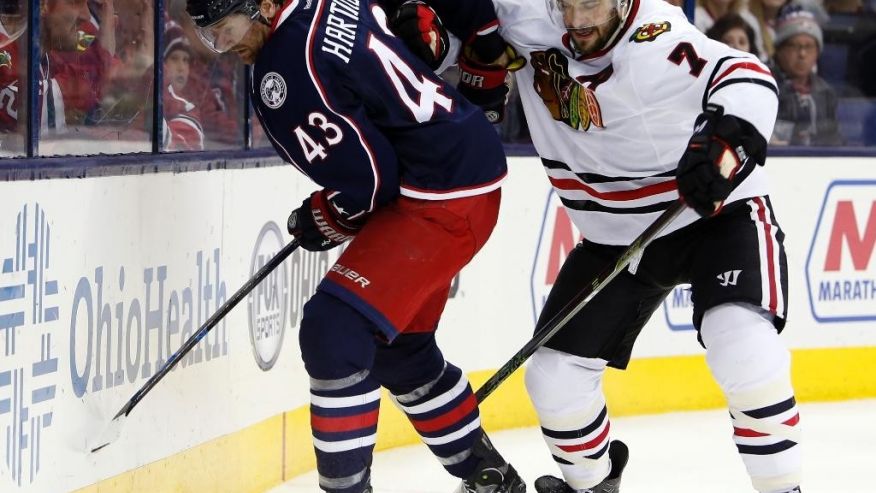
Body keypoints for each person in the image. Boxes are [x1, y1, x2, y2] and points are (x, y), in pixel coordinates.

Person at [392, 0, 801, 491]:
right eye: (567, 5)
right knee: (553, 380)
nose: (578, 20)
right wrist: (433, 43)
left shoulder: (657, 35)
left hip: (714, 214)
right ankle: (593, 484)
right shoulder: (525, 16)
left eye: (591, 5)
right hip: (615, 240)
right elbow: (461, 52)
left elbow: (748, 76)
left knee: (741, 345)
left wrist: (724, 146)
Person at [183, 1, 524, 493]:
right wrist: (336, 208)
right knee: (400, 351)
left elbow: (372, 181)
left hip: (437, 195)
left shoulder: (285, 68)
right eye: (211, 37)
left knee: (334, 331)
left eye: (227, 29)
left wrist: (332, 213)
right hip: (458, 169)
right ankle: (489, 477)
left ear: (260, 6)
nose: (225, 46)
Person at [770, 8, 844, 145]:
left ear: (817, 52)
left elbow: (835, 140)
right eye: (794, 46)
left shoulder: (826, 93)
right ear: (779, 50)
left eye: (809, 46)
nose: (802, 54)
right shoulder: (766, 87)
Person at [161, 21, 205, 151]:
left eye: (186, 60)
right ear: (161, 63)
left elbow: (178, 146)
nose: (181, 67)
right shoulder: (143, 94)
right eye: (174, 58)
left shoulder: (188, 109)